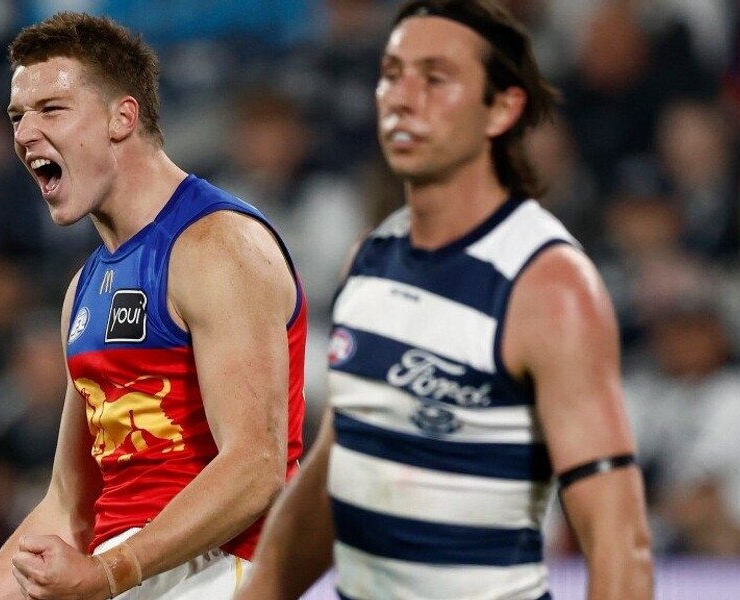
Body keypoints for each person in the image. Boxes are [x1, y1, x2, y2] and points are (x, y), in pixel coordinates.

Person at [0, 11, 307, 600]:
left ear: (121, 117)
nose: (26, 134)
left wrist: (111, 571)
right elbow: (68, 506)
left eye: (51, 109)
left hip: (222, 574)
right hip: (135, 577)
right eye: (17, 116)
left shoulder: (218, 246)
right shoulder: (84, 288)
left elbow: (256, 467)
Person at [237, 2, 654, 599]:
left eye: (435, 78)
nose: (402, 98)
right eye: (391, 74)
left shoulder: (547, 285)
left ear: (502, 108)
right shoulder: (369, 260)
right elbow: (342, 460)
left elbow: (619, 542)